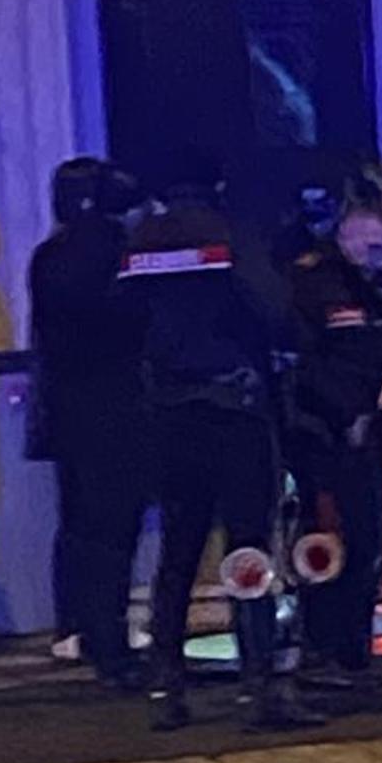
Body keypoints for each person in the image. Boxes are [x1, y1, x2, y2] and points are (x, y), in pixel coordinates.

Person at [120, 153, 323, 733]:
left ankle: (166, 685)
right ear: (217, 188)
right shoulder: (229, 235)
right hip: (234, 413)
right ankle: (259, 688)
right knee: (247, 550)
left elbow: (122, 325)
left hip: (168, 416)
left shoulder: (141, 244)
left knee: (178, 552)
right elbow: (272, 309)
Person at [288, 204, 382, 705]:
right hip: (328, 434)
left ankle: (356, 654)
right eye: (366, 245)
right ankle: (322, 653)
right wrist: (367, 396)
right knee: (330, 544)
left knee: (374, 539)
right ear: (344, 240)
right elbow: (309, 364)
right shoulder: (317, 284)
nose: (374, 255)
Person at [30, 158, 150, 690]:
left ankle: (78, 627)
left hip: (67, 415)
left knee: (80, 527)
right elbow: (134, 322)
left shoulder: (48, 256)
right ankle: (112, 645)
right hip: (118, 410)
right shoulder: (115, 252)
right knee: (113, 531)